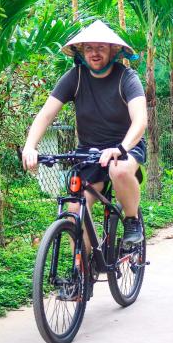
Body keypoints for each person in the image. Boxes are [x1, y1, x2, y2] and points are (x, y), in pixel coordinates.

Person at [22, 20, 147, 246]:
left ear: (113, 50)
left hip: (125, 147)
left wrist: (120, 148)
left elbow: (140, 121)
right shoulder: (75, 77)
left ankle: (132, 219)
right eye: (89, 48)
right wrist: (30, 146)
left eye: (101, 47)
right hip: (89, 152)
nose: (94, 53)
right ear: (81, 52)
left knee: (117, 170)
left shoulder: (127, 78)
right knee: (74, 210)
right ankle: (82, 271)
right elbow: (46, 115)